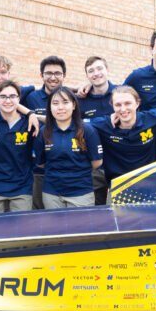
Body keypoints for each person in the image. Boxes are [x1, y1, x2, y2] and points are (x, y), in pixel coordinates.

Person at [33, 87, 102, 208]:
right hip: (51, 194)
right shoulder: (44, 132)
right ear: (49, 107)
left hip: (81, 193)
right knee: (54, 227)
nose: (60, 107)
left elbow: (97, 162)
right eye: (55, 103)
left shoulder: (87, 130)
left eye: (65, 102)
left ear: (74, 105)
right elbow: (41, 163)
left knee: (80, 227)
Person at [0, 80, 40, 214]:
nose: (8, 100)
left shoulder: (28, 123)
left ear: (19, 98)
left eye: (12, 96)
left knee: (21, 231)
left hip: (21, 187)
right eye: (3, 96)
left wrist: (31, 113)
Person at [23, 56, 69, 208]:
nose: (53, 77)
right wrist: (30, 114)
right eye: (48, 73)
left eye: (57, 73)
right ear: (41, 75)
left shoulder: (71, 98)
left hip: (67, 169)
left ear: (64, 76)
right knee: (37, 215)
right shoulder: (31, 98)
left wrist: (38, 117)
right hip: (38, 170)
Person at [77, 56, 115, 205]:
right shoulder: (81, 100)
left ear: (107, 70)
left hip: (119, 161)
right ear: (87, 76)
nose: (96, 73)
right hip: (94, 164)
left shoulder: (120, 94)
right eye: (91, 71)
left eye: (100, 68)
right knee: (95, 209)